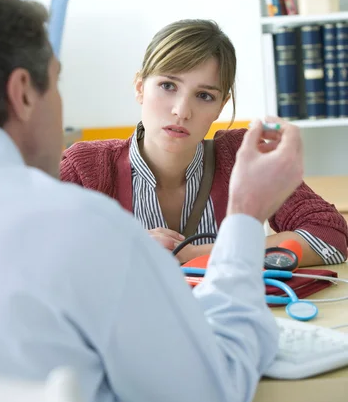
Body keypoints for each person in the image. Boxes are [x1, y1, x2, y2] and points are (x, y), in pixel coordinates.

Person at [0, 0, 304, 402]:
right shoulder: (85, 225)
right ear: (23, 92)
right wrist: (246, 216)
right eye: (56, 83)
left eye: (205, 95)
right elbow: (213, 399)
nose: (181, 109)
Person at [61, 19, 348, 268]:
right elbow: (29, 251)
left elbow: (330, 238)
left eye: (204, 96)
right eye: (168, 86)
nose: (182, 111)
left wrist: (192, 254)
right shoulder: (86, 168)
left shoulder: (239, 157)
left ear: (221, 106)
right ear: (140, 87)